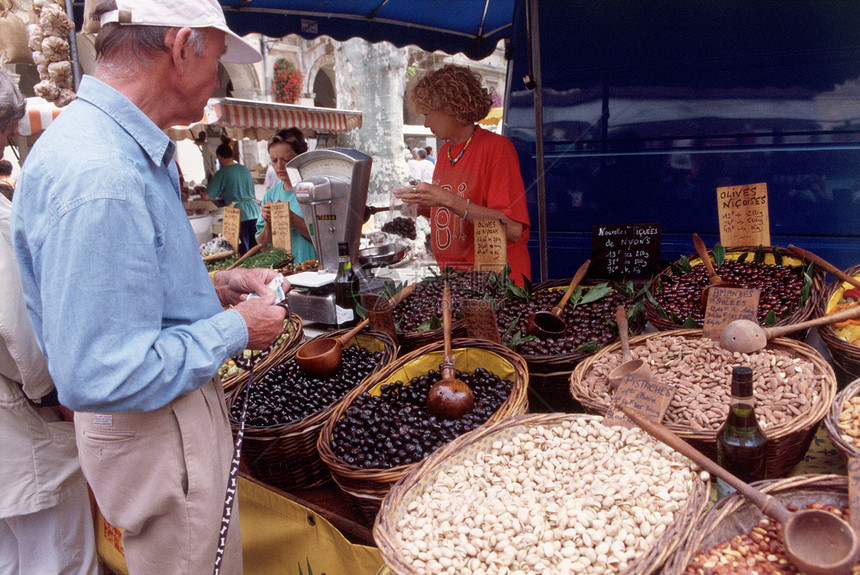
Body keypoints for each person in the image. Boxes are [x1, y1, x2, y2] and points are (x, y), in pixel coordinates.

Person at [11, 2, 287, 573]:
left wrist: (213, 288)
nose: (218, 80)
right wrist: (237, 327)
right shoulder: (102, 174)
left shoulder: (113, 148)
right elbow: (106, 370)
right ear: (183, 46)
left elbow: (122, 301)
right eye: (216, 58)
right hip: (159, 430)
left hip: (165, 426)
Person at [0, 66, 99, 575]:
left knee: (13, 560)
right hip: (20, 429)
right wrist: (58, 397)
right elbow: (21, 332)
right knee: (55, 559)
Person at [394, 64, 531, 285]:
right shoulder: (446, 153)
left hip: (498, 286)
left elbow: (513, 229)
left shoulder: (496, 148)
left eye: (429, 114)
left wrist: (445, 198)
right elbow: (455, 212)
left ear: (452, 108)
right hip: (458, 282)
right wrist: (423, 205)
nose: (426, 123)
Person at [255, 127, 317, 263]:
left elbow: (323, 237)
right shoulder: (271, 195)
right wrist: (268, 222)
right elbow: (263, 246)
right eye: (274, 160)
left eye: (286, 160)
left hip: (313, 271)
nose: (279, 166)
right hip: (284, 274)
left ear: (301, 157)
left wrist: (291, 217)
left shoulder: (315, 190)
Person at [201, 142, 261, 254]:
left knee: (242, 250)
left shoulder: (222, 173)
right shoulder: (244, 169)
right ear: (232, 155)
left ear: (219, 157)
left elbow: (206, 196)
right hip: (255, 211)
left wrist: (200, 192)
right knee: (256, 248)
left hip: (238, 214)